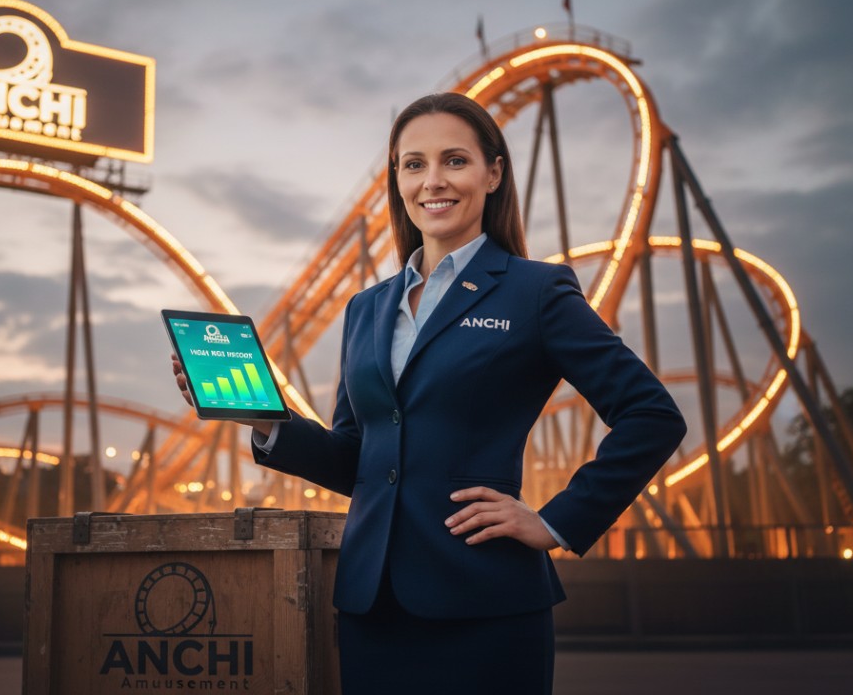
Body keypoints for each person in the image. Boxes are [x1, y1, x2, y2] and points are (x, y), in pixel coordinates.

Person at [171, 92, 686, 693]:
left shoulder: (535, 292)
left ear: (493, 173)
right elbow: (359, 460)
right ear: (397, 178)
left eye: (454, 161)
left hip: (484, 601)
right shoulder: (367, 308)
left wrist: (556, 522)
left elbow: (652, 414)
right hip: (373, 605)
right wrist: (265, 419)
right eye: (413, 164)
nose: (432, 181)